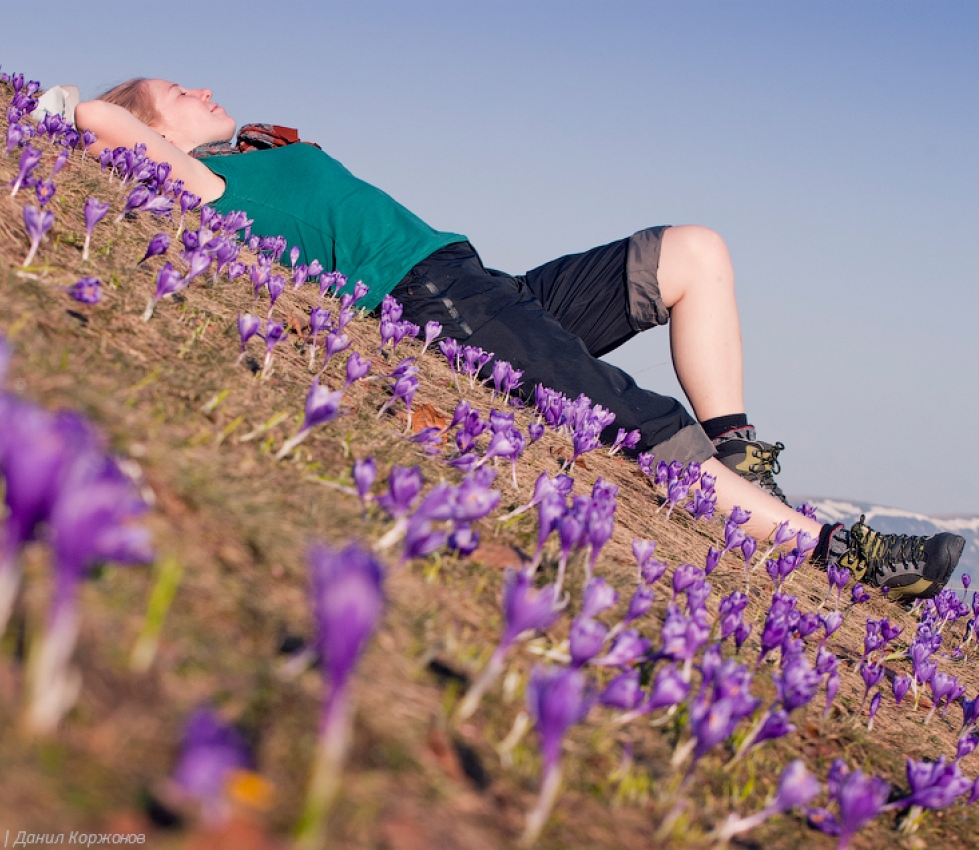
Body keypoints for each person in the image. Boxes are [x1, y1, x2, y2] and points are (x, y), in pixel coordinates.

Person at [73, 79, 965, 603]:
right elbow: (95, 124)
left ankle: (740, 455)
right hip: (428, 307)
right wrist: (67, 103)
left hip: (479, 284)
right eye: (175, 90)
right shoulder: (204, 181)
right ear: (156, 130)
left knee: (690, 253)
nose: (202, 89)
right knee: (630, 416)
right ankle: (828, 552)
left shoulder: (256, 155)